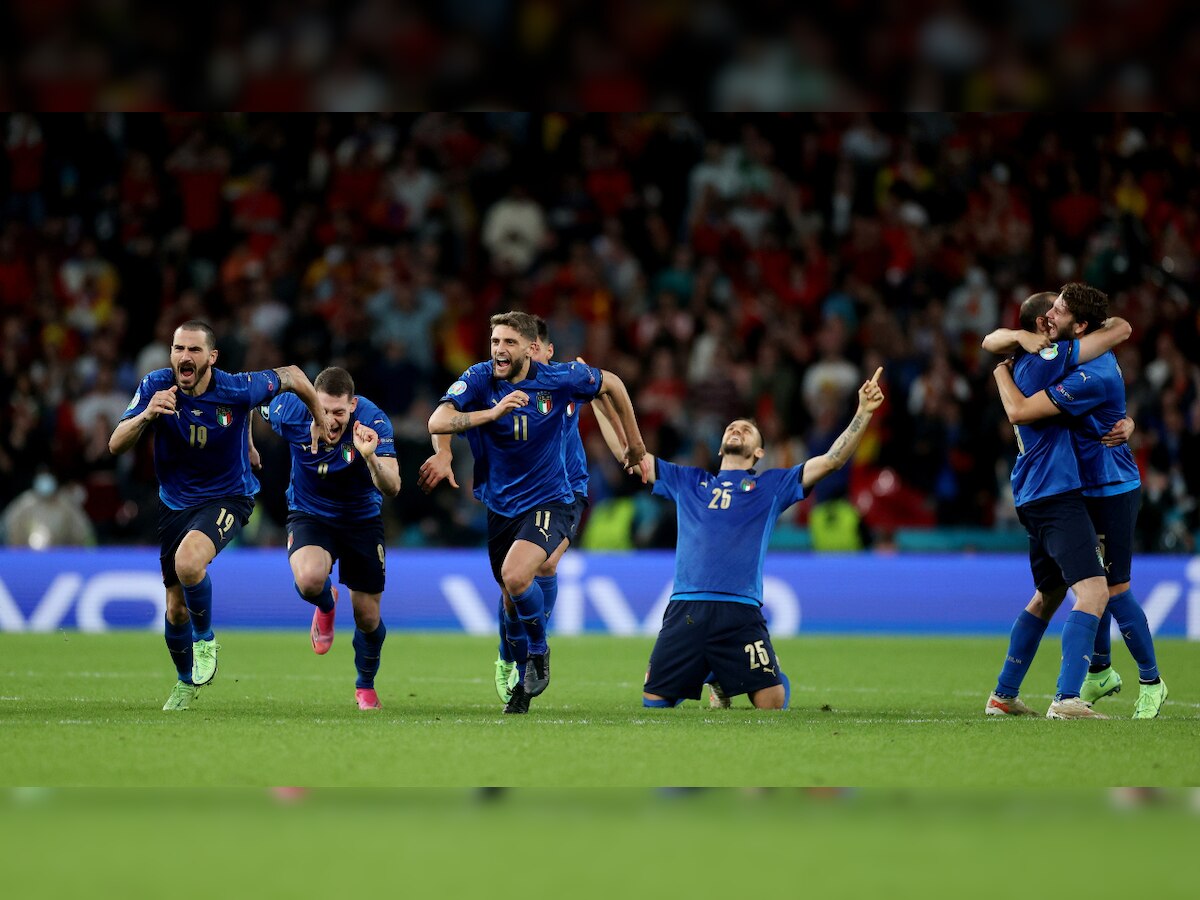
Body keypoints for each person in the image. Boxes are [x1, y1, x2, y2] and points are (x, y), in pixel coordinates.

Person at [623, 368, 885, 710]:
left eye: (747, 430)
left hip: (740, 611)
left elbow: (832, 461)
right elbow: (630, 455)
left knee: (772, 703)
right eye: (732, 427)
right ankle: (716, 675)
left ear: (758, 453)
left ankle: (728, 676)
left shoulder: (771, 486)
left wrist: (863, 412)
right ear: (721, 446)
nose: (737, 429)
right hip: (686, 608)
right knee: (654, 706)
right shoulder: (688, 480)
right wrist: (599, 399)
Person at [427, 311, 645, 714]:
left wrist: (635, 446)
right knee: (511, 593)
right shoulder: (479, 379)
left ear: (534, 349)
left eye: (508, 342)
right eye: (495, 342)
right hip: (499, 502)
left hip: (555, 496)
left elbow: (609, 386)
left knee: (524, 572)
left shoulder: (559, 379)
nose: (499, 350)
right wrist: (453, 444)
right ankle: (509, 654)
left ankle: (536, 656)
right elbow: (437, 419)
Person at [110, 320, 331, 711]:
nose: (184, 357)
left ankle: (206, 638)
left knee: (188, 561)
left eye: (194, 350)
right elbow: (115, 444)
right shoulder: (155, 387)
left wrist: (316, 415)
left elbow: (295, 376)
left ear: (212, 357)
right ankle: (183, 681)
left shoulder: (236, 387)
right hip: (174, 503)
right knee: (175, 607)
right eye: (178, 349)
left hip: (229, 496)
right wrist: (146, 416)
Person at [984, 285, 1166, 719]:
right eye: (1052, 311)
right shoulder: (1056, 360)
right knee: (1097, 590)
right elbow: (1118, 330)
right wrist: (1003, 371)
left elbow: (1117, 329)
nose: (1057, 314)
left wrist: (1002, 362)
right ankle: (1071, 698)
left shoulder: (1038, 358)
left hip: (1048, 490)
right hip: (1058, 494)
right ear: (1042, 327)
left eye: (1063, 308)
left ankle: (1004, 695)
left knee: (1049, 595)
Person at [256, 366, 400, 710]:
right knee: (309, 580)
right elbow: (246, 398)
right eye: (323, 410)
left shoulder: (373, 421)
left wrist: (370, 459)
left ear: (352, 405)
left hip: (361, 520)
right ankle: (325, 602)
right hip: (310, 514)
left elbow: (393, 486)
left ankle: (365, 685)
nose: (331, 420)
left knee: (367, 616)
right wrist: (247, 445)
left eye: (339, 412)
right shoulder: (290, 410)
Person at [1, 468, 96, 548]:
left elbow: (83, 532)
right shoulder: (25, 502)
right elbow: (8, 527)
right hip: (26, 556)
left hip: (60, 556)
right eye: (42, 475)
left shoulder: (66, 504)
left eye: (47, 475)